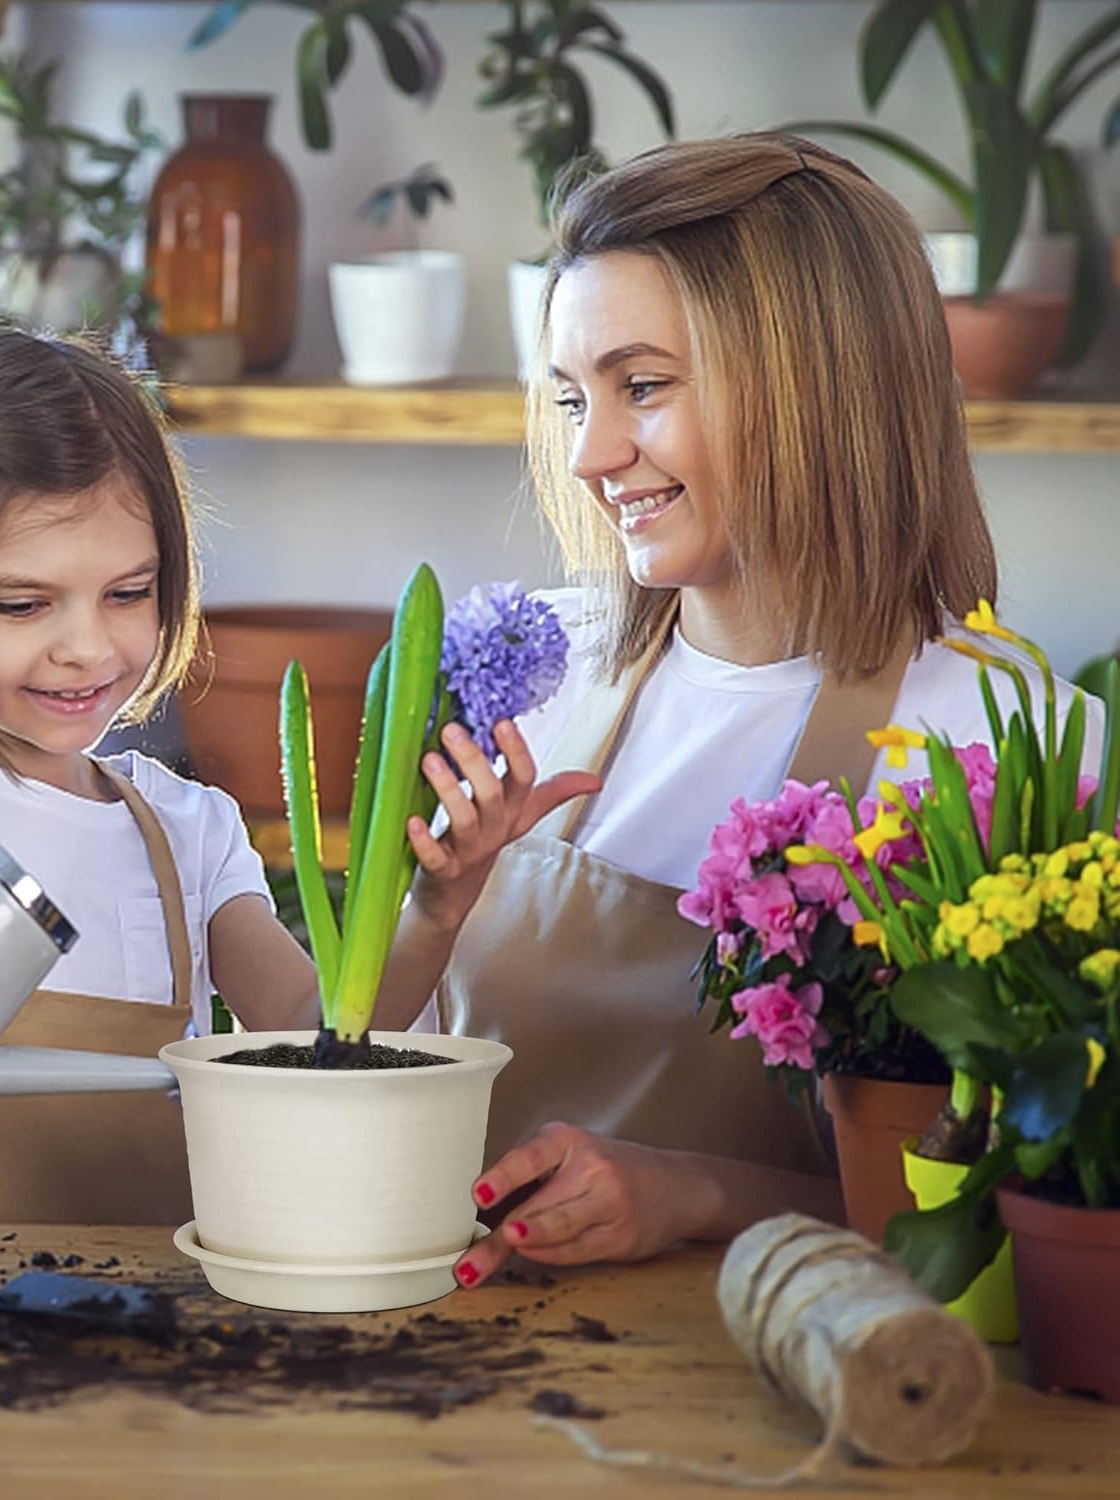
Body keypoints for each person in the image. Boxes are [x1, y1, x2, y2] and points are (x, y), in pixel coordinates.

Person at [0, 325, 590, 1224]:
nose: (89, 648)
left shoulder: (187, 832)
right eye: (24, 604)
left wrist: (433, 912)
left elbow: (327, 1041)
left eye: (129, 594)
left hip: (155, 1330)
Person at [434, 135, 1105, 1289]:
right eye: (569, 396)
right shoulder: (551, 669)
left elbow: (1031, 1208)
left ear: (817, 382)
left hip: (780, 1393)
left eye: (641, 387)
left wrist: (692, 1192)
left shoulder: (1001, 744)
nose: (591, 453)